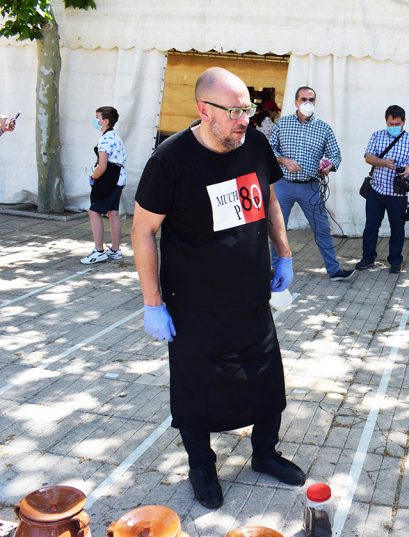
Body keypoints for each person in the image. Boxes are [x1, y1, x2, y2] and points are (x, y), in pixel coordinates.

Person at [132, 67, 306, 510]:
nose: (244, 119)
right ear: (203, 111)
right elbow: (142, 231)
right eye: (233, 112)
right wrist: (152, 302)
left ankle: (265, 454)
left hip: (251, 296)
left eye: (246, 109)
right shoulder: (169, 161)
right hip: (193, 306)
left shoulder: (255, 144)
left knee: (268, 384)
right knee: (196, 393)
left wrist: (283, 253)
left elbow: (267, 199)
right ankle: (201, 467)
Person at [269, 86, 354, 281]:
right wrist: (283, 160)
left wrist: (328, 165)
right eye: (304, 99)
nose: (308, 102)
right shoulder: (283, 124)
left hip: (311, 186)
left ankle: (333, 270)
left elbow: (336, 155)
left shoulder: (323, 128)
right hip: (284, 185)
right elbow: (269, 149)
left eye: (311, 99)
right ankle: (274, 269)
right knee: (276, 227)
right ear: (296, 102)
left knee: (322, 228)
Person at [355, 105, 409, 274]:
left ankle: (395, 260)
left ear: (404, 122)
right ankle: (368, 258)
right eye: (390, 123)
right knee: (371, 226)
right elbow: (368, 157)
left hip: (398, 193)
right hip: (376, 190)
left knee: (397, 229)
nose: (393, 127)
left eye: (397, 124)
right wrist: (384, 162)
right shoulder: (377, 136)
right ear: (386, 121)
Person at [80, 106, 127, 264]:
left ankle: (99, 251)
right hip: (119, 177)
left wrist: (93, 177)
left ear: (106, 121)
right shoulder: (115, 136)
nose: (96, 120)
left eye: (98, 117)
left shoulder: (105, 140)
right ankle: (115, 250)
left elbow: (102, 166)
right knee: (113, 212)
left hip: (110, 178)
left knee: (94, 211)